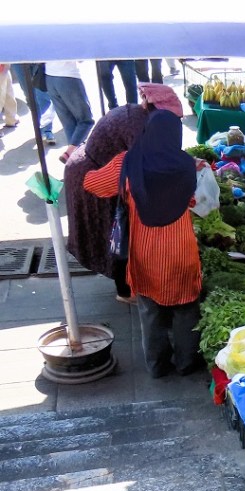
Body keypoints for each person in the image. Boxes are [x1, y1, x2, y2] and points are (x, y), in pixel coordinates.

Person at [84, 109, 203, 378]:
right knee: (186, 309)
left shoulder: (126, 163)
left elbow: (92, 184)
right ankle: (186, 364)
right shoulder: (186, 164)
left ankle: (157, 367)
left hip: (146, 251)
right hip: (181, 251)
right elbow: (193, 201)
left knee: (150, 311)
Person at [66, 83, 184, 302]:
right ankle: (125, 292)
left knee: (120, 231)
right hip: (94, 175)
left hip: (102, 170)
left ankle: (126, 285)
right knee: (118, 234)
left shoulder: (139, 114)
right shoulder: (139, 128)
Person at [44, 60, 94, 162]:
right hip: (68, 76)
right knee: (86, 121)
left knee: (69, 123)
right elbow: (80, 57)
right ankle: (70, 153)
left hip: (50, 77)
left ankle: (73, 162)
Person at [13, 63, 56, 145]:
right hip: (19, 61)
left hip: (38, 59)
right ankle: (38, 127)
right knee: (30, 97)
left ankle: (47, 130)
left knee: (43, 95)